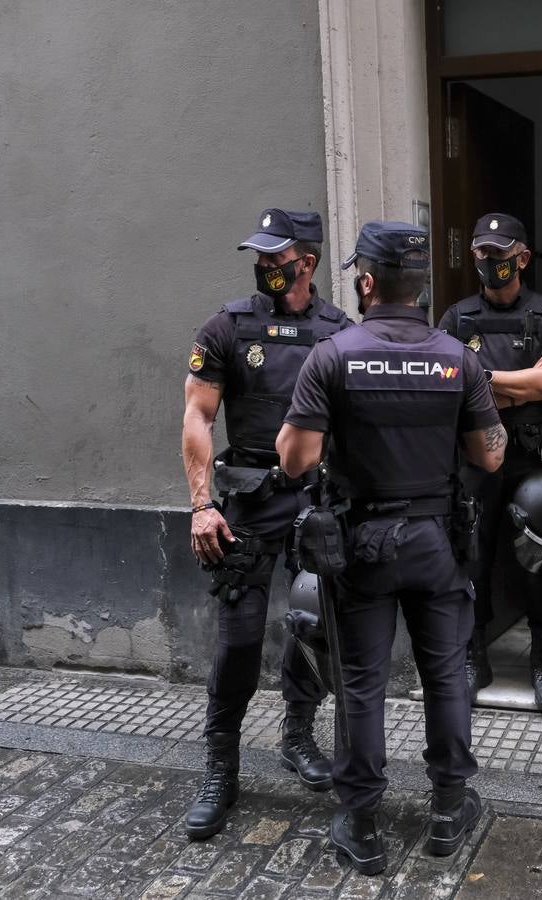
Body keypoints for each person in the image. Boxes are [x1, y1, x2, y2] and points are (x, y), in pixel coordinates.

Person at [277, 221, 505, 875]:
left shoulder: (332, 355)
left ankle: (363, 824)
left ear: (368, 282)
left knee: (361, 686)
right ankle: (446, 812)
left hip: (361, 548)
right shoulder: (458, 357)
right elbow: (489, 456)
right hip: (437, 544)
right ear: (421, 286)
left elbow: (296, 461)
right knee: (445, 678)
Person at [180, 208, 348, 840]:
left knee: (313, 627)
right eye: (259, 254)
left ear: (306, 262)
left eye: (276, 256)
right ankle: (220, 766)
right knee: (239, 640)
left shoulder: (338, 332)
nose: (263, 265)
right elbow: (197, 416)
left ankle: (298, 735)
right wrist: (202, 504)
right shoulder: (227, 326)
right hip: (246, 502)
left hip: (315, 500)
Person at [438, 212, 542, 709]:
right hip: (476, 454)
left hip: (534, 454)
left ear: (523, 258)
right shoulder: (456, 318)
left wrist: (481, 379)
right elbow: (446, 385)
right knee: (472, 554)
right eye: (482, 253)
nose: (491, 262)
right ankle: (474, 655)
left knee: (541, 559)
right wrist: (519, 383)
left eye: (500, 253)